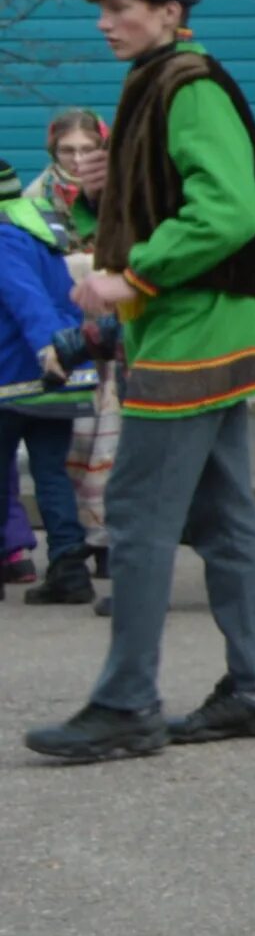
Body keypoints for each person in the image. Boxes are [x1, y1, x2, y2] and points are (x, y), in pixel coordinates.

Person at [26, 0, 255, 764]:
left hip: (191, 333)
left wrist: (132, 274)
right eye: (104, 10)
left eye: (120, 9)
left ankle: (126, 703)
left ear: (169, 12)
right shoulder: (164, 78)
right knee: (223, 518)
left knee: (140, 517)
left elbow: (229, 214)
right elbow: (195, 195)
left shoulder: (187, 86)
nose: (105, 23)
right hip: (209, 327)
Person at [0, 155, 94, 607]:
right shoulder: (41, 231)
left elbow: (27, 300)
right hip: (62, 380)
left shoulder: (2, 239)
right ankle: (70, 567)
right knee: (52, 474)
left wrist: (47, 348)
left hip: (16, 378)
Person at [34, 110, 119, 580]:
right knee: (72, 446)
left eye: (88, 149)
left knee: (111, 446)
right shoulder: (35, 201)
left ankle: (110, 543)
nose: (78, 158)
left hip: (117, 337)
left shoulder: (118, 197)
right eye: (68, 150)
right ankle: (79, 543)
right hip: (65, 340)